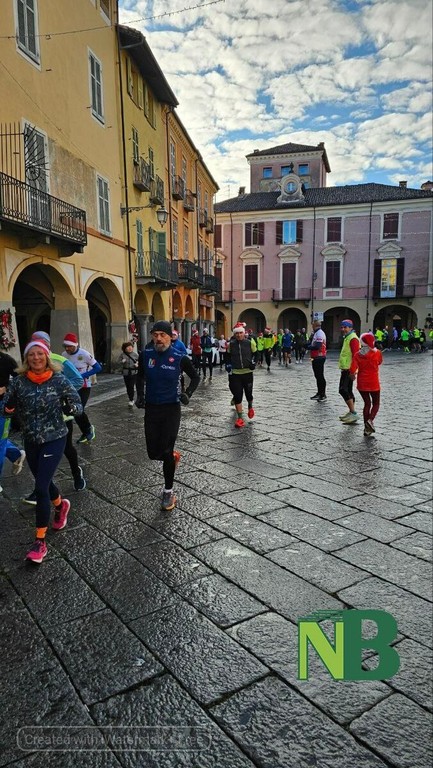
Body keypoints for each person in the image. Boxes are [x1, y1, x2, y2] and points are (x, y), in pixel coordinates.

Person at [1, 339, 82, 563]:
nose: (36, 358)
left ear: (47, 356)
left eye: (40, 354)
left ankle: (40, 542)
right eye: (31, 354)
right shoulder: (19, 382)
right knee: (43, 482)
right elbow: (5, 409)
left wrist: (71, 408)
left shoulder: (59, 379)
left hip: (54, 437)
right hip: (31, 439)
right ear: (26, 359)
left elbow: (78, 404)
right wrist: (9, 407)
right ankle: (61, 505)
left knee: (40, 487)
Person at [136, 320, 199, 511]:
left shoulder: (180, 357)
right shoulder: (146, 355)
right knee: (152, 453)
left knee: (165, 451)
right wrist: (140, 396)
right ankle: (172, 457)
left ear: (170, 337)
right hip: (151, 408)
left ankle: (168, 492)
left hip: (171, 409)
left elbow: (195, 377)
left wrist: (187, 394)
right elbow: (139, 376)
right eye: (155, 335)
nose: (159, 339)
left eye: (162, 335)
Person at [22, 331, 86, 504]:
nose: (37, 350)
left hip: (61, 416)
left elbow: (78, 380)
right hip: (36, 420)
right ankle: (41, 488)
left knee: (67, 449)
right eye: (33, 342)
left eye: (41, 342)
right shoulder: (30, 360)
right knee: (38, 457)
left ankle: (76, 473)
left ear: (48, 345)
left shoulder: (60, 360)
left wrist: (59, 394)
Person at [62, 333, 102, 443]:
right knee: (72, 410)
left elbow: (98, 367)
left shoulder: (84, 354)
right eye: (65, 346)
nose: (67, 348)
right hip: (70, 386)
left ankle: (88, 429)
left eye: (69, 346)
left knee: (78, 409)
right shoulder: (63, 355)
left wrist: (83, 375)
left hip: (84, 386)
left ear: (75, 345)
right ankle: (85, 432)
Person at [0, 349, 26, 492]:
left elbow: (20, 379)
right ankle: (15, 454)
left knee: (0, 442)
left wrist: (6, 388)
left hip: (2, 406)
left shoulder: (6, 360)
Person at [349, 332, 383, 436]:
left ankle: (366, 428)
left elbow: (352, 369)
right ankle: (370, 420)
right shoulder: (377, 353)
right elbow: (379, 362)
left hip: (362, 383)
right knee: (376, 403)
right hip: (373, 382)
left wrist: (352, 375)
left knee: (367, 403)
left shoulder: (357, 355)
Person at [225, 322, 257, 428]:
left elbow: (256, 354)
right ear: (234, 334)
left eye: (240, 333)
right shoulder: (231, 344)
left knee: (248, 394)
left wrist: (254, 363)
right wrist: (228, 365)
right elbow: (227, 356)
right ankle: (240, 418)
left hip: (247, 373)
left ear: (244, 333)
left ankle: (250, 406)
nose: (239, 335)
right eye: (237, 333)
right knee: (237, 395)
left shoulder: (250, 343)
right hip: (235, 373)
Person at [338, 319, 360, 424]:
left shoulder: (353, 338)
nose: (343, 329)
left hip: (349, 369)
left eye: (345, 327)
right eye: (342, 327)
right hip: (346, 368)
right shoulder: (348, 337)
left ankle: (353, 412)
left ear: (350, 328)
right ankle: (351, 412)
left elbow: (356, 356)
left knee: (343, 389)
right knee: (348, 390)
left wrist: (353, 371)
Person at [308, 320, 327, 401]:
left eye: (312, 325)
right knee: (317, 376)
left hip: (319, 356)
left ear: (315, 325)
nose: (312, 327)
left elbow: (317, 346)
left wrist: (307, 347)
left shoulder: (319, 333)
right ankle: (319, 393)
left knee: (320, 376)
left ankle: (322, 394)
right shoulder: (316, 333)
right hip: (315, 356)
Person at [119, 340, 139, 406]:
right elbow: (117, 363)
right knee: (128, 387)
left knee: (131, 386)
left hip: (134, 373)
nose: (130, 348)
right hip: (126, 373)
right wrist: (122, 362)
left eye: (131, 347)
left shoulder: (135, 354)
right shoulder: (122, 355)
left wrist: (137, 364)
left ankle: (131, 399)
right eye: (128, 347)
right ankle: (130, 398)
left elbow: (140, 362)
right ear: (124, 348)